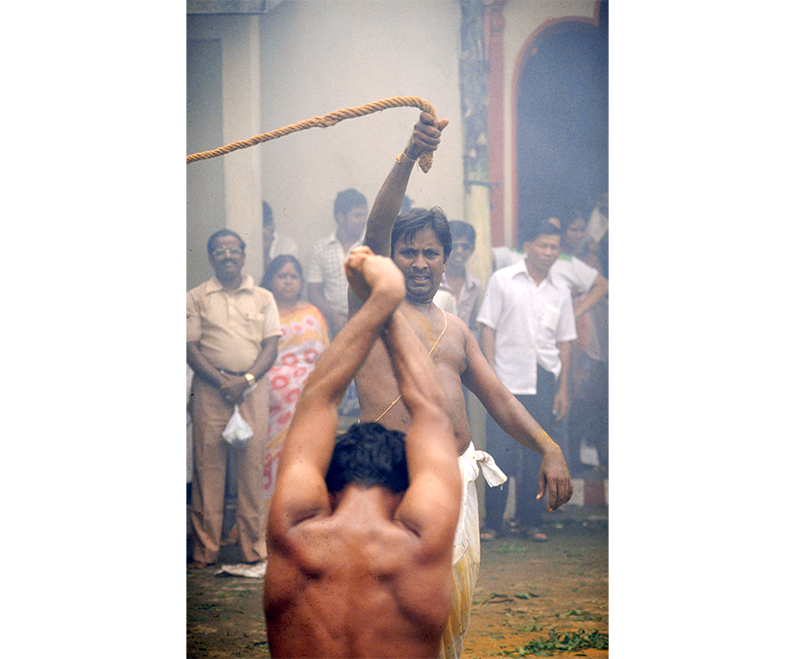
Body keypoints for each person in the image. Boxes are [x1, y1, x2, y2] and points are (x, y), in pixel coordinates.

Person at [351, 112, 572, 659]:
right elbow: (374, 238)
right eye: (409, 252)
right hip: (390, 480)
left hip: (455, 481)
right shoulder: (375, 309)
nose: (420, 262)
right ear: (392, 260)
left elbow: (498, 398)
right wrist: (408, 156)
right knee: (395, 610)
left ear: (446, 261)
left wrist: (549, 446)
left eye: (431, 252)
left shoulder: (457, 333)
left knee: (448, 610)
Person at [264, 247, 462, 659]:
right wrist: (388, 300)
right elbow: (430, 409)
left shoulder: (293, 530)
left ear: (328, 487)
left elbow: (318, 398)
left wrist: (381, 299)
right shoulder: (420, 544)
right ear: (405, 493)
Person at [186, 229, 281, 569]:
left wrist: (246, 379)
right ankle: (205, 552)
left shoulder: (263, 297)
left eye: (232, 250)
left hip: (252, 390)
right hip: (211, 390)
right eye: (219, 251)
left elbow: (271, 345)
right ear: (211, 257)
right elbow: (190, 348)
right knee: (208, 471)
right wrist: (223, 381)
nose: (227, 256)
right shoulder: (195, 297)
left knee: (251, 472)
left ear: (243, 254)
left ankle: (253, 551)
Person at [477, 218, 577, 542]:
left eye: (554, 247)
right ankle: (493, 523)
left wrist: (563, 388)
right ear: (528, 247)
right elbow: (487, 327)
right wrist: (488, 376)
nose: (549, 253)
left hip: (544, 380)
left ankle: (532, 522)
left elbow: (565, 341)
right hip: (505, 380)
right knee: (501, 454)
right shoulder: (503, 280)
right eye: (543, 246)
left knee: (538, 454)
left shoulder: (560, 290)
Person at [260, 254, 330, 513]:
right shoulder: (262, 313)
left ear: (301, 281)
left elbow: (326, 357)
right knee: (269, 458)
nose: (288, 282)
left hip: (306, 395)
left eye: (293, 276)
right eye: (281, 276)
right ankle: (267, 517)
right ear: (271, 280)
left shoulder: (313, 314)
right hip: (270, 395)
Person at [556, 210, 609, 471]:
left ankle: (586, 456)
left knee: (590, 394)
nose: (577, 235)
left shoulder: (590, 257)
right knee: (570, 391)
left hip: (592, 333)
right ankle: (570, 457)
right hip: (570, 336)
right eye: (572, 230)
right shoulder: (559, 258)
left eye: (580, 230)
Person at [306, 188, 368, 337]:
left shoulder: (369, 246)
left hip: (364, 322)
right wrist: (334, 318)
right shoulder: (321, 248)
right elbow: (313, 291)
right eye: (357, 215)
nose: (363, 221)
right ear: (341, 217)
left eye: (365, 215)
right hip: (329, 323)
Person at [439, 220, 482, 337]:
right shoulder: (434, 281)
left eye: (465, 246)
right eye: (454, 246)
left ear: (472, 250)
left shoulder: (474, 286)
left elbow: (472, 325)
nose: (459, 251)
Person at [260, 200, 299, 280]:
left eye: (268, 224)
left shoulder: (287, 246)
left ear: (272, 224)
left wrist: (266, 251)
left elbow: (280, 281)